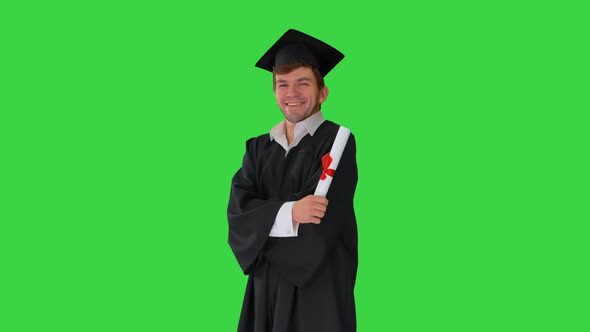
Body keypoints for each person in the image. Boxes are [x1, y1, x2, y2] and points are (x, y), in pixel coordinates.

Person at [227, 29, 358, 332]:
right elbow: (238, 213)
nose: (292, 93)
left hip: (318, 289)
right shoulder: (258, 147)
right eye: (282, 84)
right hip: (264, 290)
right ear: (274, 92)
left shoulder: (338, 142)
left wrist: (262, 229)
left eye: (303, 83)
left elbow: (322, 221)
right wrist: (291, 213)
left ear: (322, 92)